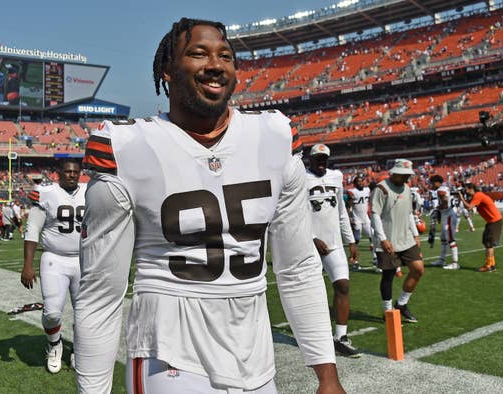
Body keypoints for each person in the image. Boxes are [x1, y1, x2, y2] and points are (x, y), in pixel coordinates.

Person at [75, 18, 344, 394]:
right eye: (198, 53)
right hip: (169, 353)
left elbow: (297, 267)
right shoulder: (126, 147)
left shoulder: (274, 136)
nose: (215, 64)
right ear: (167, 71)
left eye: (226, 56)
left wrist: (327, 374)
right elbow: (101, 292)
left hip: (256, 356)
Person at [21, 161, 85, 374]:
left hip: (84, 260)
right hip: (54, 259)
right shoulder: (46, 192)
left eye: (76, 172)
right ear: (58, 174)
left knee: (84, 314)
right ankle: (55, 344)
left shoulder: (89, 191)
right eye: (67, 171)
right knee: (51, 314)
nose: (72, 175)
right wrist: (27, 265)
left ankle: (79, 348)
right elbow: (32, 230)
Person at [306, 144, 360, 358]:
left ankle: (341, 337)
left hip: (334, 243)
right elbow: (294, 213)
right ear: (310, 160)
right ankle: (313, 336)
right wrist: (311, 237)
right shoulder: (300, 177)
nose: (321, 162)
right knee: (311, 292)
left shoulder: (336, 177)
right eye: (318, 159)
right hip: (308, 243)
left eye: (324, 159)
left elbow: (341, 213)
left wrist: (350, 240)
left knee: (343, 286)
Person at [370, 159, 424, 323]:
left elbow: (409, 214)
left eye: (408, 175)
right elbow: (375, 215)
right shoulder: (381, 189)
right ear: (394, 173)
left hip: (406, 238)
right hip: (389, 239)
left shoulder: (407, 189)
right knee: (389, 276)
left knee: (418, 269)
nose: (406, 178)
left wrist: (415, 234)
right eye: (404, 175)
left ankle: (401, 304)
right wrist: (383, 239)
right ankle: (388, 311)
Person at [459, 183, 503, 272]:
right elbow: (469, 206)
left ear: (471, 189)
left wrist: (461, 198)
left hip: (494, 221)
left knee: (489, 243)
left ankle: (489, 265)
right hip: (492, 221)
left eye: (466, 189)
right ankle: (492, 264)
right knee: (486, 241)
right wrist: (463, 199)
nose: (465, 191)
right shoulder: (476, 196)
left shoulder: (478, 195)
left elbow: (469, 207)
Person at [346, 173, 379, 272]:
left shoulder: (367, 190)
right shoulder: (352, 192)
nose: (361, 183)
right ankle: (355, 261)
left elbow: (374, 185)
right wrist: (349, 219)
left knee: (373, 236)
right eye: (358, 182)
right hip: (356, 219)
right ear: (354, 184)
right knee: (356, 240)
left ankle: (375, 257)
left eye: (362, 181)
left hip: (365, 218)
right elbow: (348, 206)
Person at [428, 176, 460, 270]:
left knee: (450, 239)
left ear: (437, 182)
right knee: (443, 239)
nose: (431, 185)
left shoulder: (440, 191)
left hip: (449, 215)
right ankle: (442, 260)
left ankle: (455, 263)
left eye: (432, 183)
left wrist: (437, 209)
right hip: (447, 215)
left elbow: (445, 203)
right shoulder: (444, 188)